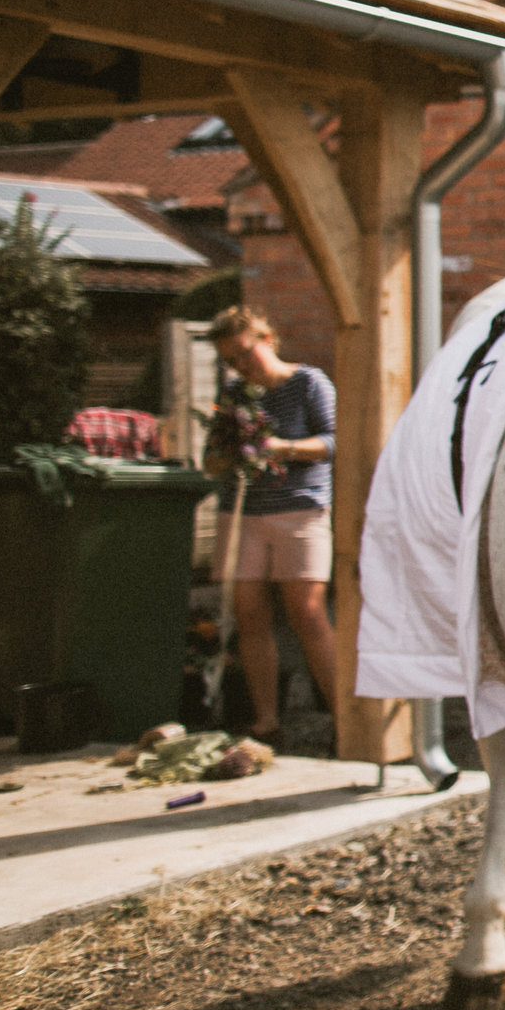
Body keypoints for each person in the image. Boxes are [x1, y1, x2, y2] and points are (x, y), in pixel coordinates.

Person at [202, 307, 339, 748]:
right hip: (244, 514)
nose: (242, 367)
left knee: (308, 614)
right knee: (249, 615)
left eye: (246, 354)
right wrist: (227, 455)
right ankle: (266, 723)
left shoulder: (308, 383)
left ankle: (347, 720)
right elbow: (211, 460)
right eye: (232, 361)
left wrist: (284, 448)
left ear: (267, 337)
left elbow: (336, 441)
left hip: (300, 510)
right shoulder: (233, 394)